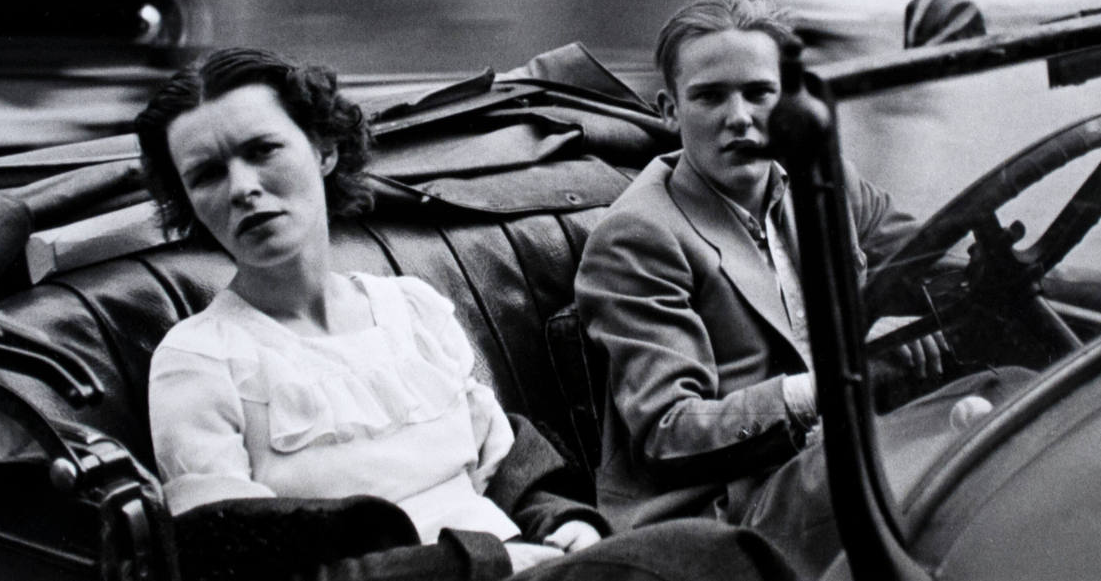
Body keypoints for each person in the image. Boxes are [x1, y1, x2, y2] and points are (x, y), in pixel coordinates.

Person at [139, 47, 797, 581]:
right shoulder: (199, 359)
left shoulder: (411, 308)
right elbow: (240, 563)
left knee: (711, 552)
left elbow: (505, 464)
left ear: (323, 150)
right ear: (189, 202)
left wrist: (563, 523)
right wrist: (483, 561)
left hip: (527, 561)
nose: (243, 187)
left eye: (262, 150)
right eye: (206, 174)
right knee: (703, 556)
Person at [572, 0, 1026, 576]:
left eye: (759, 93)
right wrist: (837, 382)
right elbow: (670, 431)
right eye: (710, 96)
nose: (739, 117)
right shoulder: (639, 236)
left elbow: (933, 259)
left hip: (837, 454)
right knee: (963, 470)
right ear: (668, 110)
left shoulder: (822, 184)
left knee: (1018, 396)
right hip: (732, 511)